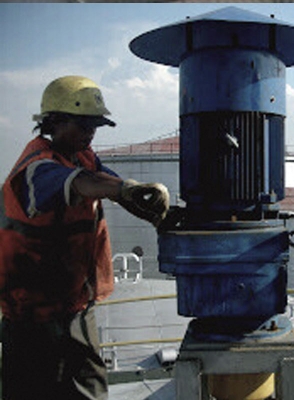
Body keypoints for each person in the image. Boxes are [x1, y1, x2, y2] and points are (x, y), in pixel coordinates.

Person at [0, 75, 170, 400]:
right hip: (32, 320)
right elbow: (84, 184)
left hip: (76, 308)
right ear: (55, 122)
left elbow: (111, 185)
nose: (91, 133)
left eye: (95, 126)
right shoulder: (37, 168)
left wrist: (154, 212)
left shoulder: (84, 156)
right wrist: (125, 189)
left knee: (88, 389)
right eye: (83, 125)